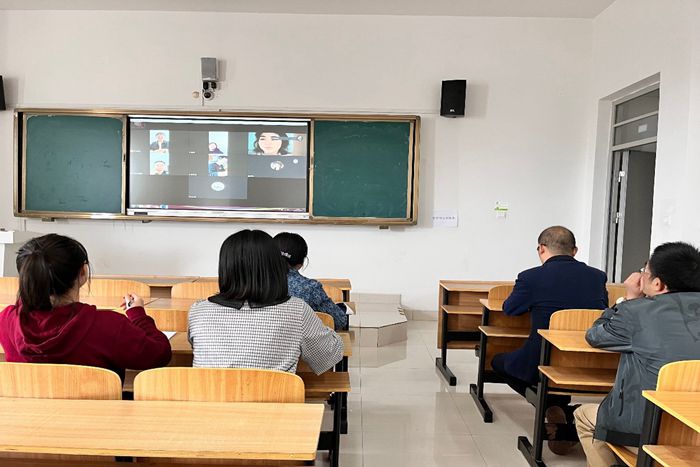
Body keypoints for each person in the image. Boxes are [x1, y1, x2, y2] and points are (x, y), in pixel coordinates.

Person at [574, 241, 700, 467]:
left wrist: (629, 299)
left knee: (584, 416)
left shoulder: (637, 312)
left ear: (658, 283)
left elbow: (595, 336)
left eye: (644, 272)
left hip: (651, 432)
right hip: (696, 431)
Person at [490, 226, 608, 452]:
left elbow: (510, 309)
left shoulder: (530, 277)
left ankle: (550, 406)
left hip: (542, 360)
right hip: (590, 362)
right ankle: (560, 409)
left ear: (541, 249)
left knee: (497, 362)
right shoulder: (597, 276)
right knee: (551, 371)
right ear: (574, 251)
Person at [0, 234, 171, 381]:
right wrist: (137, 314)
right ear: (83, 272)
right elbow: (159, 354)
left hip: (27, 410)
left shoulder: (6, 320)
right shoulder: (110, 326)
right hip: (98, 410)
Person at [188, 229, 343, 375]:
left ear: (225, 268)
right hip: (275, 395)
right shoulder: (297, 310)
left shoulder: (198, 311)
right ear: (275, 267)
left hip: (210, 395)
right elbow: (328, 357)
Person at [274, 232, 349, 330]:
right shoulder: (310, 288)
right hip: (300, 339)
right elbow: (339, 321)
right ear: (301, 263)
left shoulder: (256, 283)